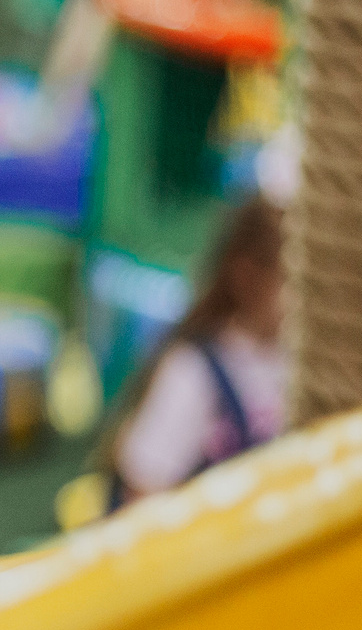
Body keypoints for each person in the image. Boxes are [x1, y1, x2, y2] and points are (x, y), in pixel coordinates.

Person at [106, 195, 287, 502]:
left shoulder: (296, 362)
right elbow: (141, 498)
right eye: (291, 279)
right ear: (248, 276)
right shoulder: (194, 371)